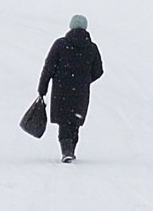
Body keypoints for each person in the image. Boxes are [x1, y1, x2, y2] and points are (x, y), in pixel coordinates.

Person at [38, 14, 104, 162]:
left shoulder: (60, 44)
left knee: (64, 121)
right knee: (75, 121)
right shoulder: (92, 48)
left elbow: (48, 68)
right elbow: (99, 71)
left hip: (61, 90)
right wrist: (85, 80)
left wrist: (42, 89)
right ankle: (71, 150)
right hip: (81, 91)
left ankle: (66, 151)